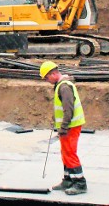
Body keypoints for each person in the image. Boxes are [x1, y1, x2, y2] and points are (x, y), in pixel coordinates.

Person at [39, 61, 87, 195]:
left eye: (47, 77)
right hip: (68, 125)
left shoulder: (64, 87)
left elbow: (68, 109)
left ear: (53, 73)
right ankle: (68, 179)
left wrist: (64, 127)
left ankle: (80, 183)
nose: (46, 80)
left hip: (71, 126)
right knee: (65, 153)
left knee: (70, 153)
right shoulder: (61, 85)